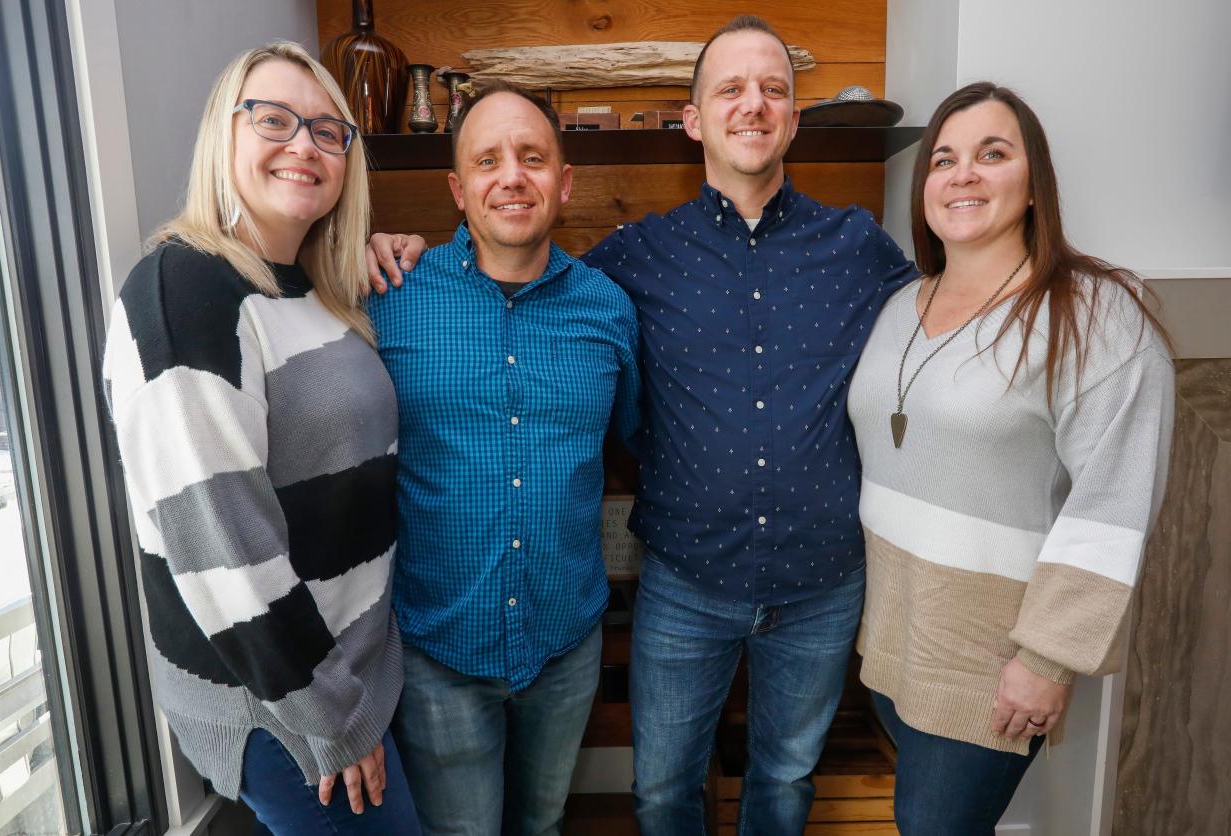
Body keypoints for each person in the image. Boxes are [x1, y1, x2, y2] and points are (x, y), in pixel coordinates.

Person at [369, 16, 916, 835]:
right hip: (680, 582)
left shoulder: (859, 246)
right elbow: (548, 331)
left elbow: (942, 324)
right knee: (660, 793)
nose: (753, 105)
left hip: (822, 580)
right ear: (692, 119)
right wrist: (375, 248)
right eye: (729, 88)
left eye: (773, 89)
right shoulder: (629, 262)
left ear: (796, 117)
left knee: (785, 781)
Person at [102, 42, 420, 834]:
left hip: (350, 673)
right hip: (283, 701)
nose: (303, 145)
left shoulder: (310, 288)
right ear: (224, 135)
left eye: (326, 130)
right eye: (273, 120)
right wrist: (332, 720)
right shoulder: (186, 290)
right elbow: (220, 544)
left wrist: (382, 248)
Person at [846, 81, 1174, 834]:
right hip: (893, 641)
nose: (962, 175)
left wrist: (1048, 659)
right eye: (944, 159)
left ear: (1033, 186)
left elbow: (1112, 507)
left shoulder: (1092, 316)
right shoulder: (902, 305)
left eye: (992, 155)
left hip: (990, 661)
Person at [365, 82, 641, 835]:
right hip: (436, 649)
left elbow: (636, 442)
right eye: (486, 160)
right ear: (458, 189)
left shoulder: (608, 308)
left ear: (565, 180)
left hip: (566, 642)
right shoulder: (389, 295)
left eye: (532, 157)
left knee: (543, 826)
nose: (510, 176)